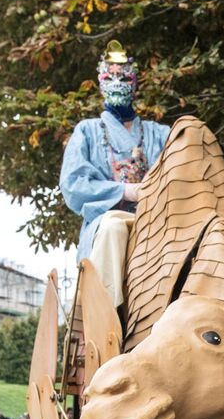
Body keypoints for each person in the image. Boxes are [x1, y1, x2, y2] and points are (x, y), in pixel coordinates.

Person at [59, 40, 170, 308]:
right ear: (100, 81)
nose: (117, 82)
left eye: (124, 76)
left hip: (157, 219)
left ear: (135, 82)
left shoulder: (161, 134)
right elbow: (73, 185)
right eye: (111, 76)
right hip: (108, 220)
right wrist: (124, 191)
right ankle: (104, 314)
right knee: (113, 228)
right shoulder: (87, 131)